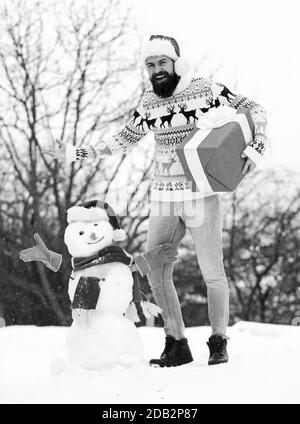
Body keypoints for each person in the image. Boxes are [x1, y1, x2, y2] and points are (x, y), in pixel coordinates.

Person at [43, 34, 268, 366]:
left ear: (176, 62)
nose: (156, 70)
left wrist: (257, 143)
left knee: (212, 272)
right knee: (157, 269)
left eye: (162, 62)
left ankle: (218, 339)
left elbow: (253, 108)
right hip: (163, 197)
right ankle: (176, 342)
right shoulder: (149, 102)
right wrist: (76, 152)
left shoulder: (205, 90)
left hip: (200, 194)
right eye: (150, 65)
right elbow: (124, 138)